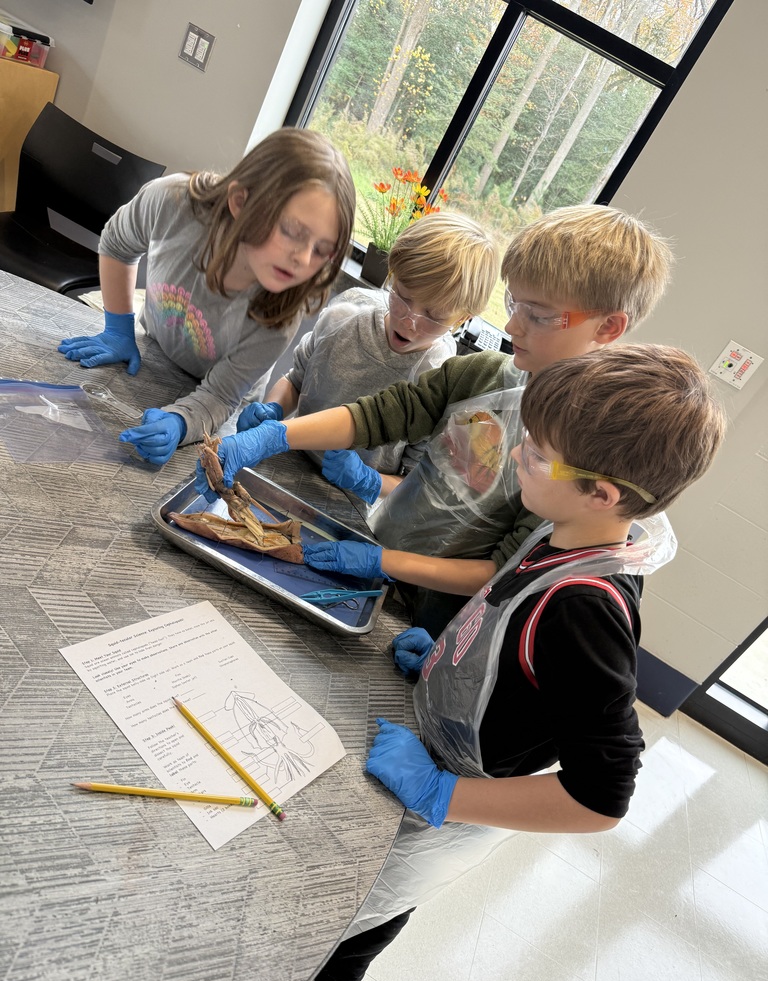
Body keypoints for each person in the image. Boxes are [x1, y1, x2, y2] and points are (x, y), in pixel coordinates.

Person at [290, 343, 726, 981]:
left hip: (465, 786)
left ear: (603, 493)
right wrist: (447, 653)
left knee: (374, 899)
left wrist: (443, 794)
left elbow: (602, 797)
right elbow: (509, 622)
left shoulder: (584, 609)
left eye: (537, 449)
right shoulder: (565, 526)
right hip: (440, 730)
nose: (517, 453)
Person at [195, 205, 673, 634]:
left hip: (437, 613)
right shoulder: (481, 376)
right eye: (513, 305)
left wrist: (385, 562)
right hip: (375, 541)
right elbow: (383, 414)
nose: (511, 327)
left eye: (539, 315)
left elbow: (504, 567)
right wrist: (274, 435)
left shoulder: (574, 453)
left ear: (608, 327)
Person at [57, 127, 356, 464]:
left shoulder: (283, 310)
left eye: (322, 250)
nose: (303, 258)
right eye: (291, 231)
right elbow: (116, 242)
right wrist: (117, 327)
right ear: (241, 201)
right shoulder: (172, 201)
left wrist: (181, 423)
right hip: (154, 353)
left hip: (219, 406)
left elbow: (220, 395)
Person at [235, 211, 498, 506]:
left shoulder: (439, 380)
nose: (409, 321)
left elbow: (414, 481)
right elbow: (296, 380)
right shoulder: (345, 316)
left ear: (463, 318)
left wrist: (366, 479)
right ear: (393, 275)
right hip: (288, 457)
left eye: (434, 316)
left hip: (348, 501)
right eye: (402, 296)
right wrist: (273, 409)